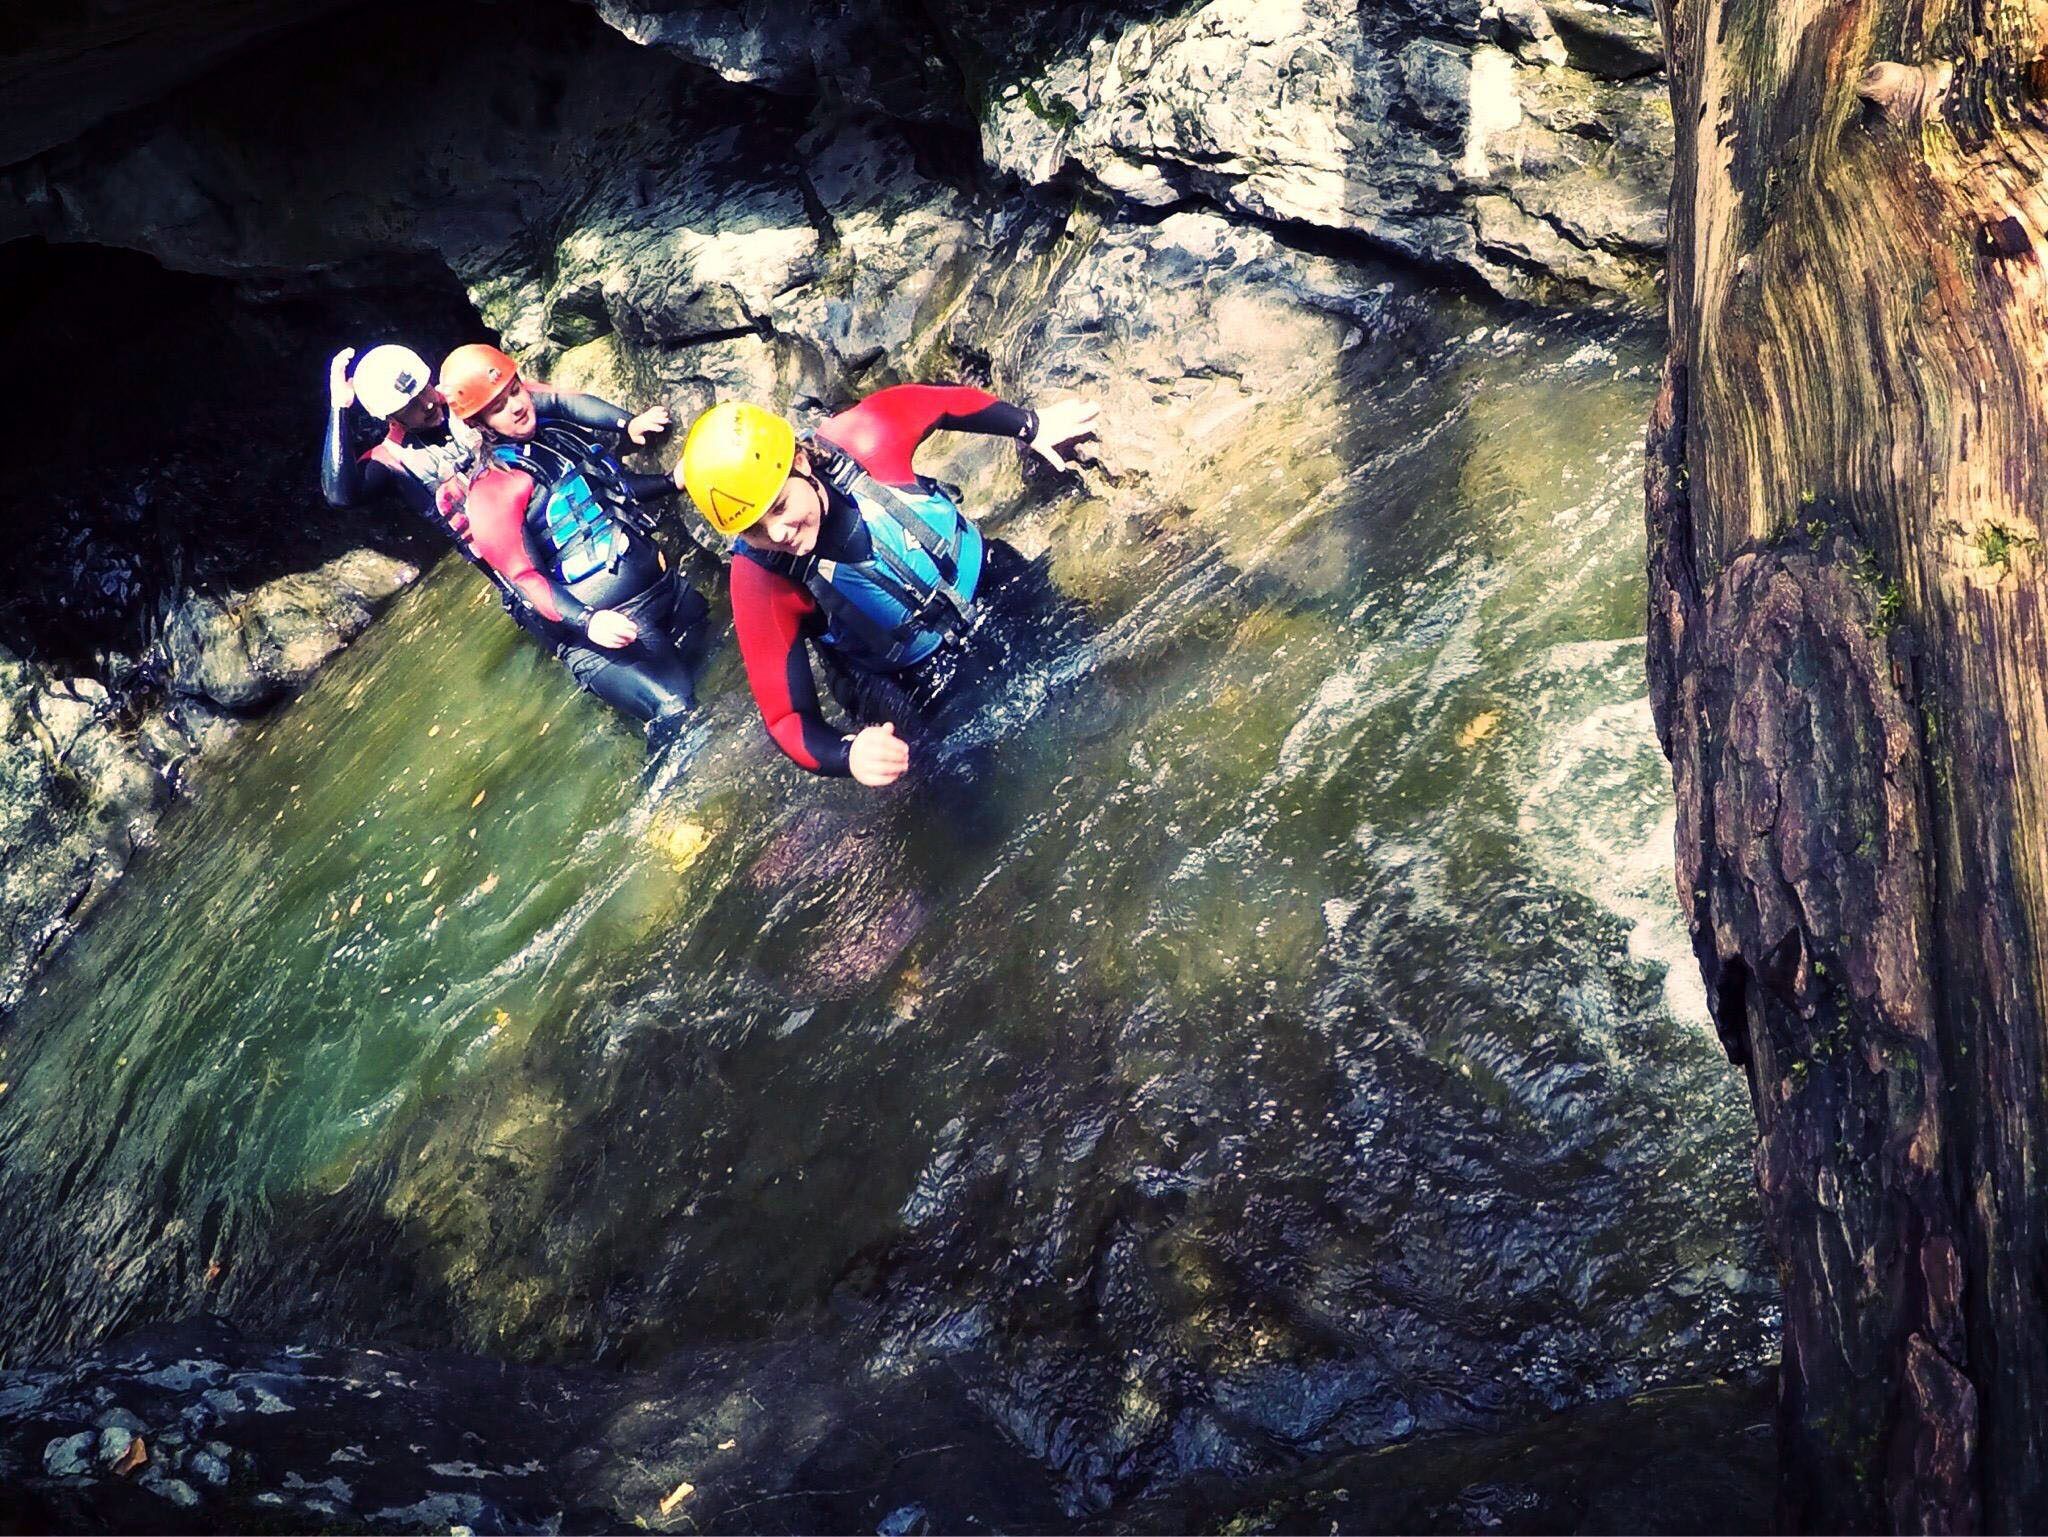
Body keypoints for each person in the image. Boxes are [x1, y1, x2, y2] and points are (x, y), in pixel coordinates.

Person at [678, 384, 1098, 787]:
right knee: (976, 787)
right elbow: (786, 718)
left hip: (992, 583)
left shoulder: (865, 440)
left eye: (781, 507)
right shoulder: (761, 578)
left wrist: (1030, 424)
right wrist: (849, 754)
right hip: (908, 677)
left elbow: (943, 403)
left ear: (801, 464)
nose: (780, 534)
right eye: (755, 530)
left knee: (1092, 677)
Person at [443, 343, 711, 751]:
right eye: (498, 407)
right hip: (606, 634)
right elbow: (523, 579)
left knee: (720, 656)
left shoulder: (554, 432)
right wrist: (589, 622)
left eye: (515, 392)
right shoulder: (492, 489)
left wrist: (660, 467)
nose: (515, 407)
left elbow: (613, 487)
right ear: (480, 423)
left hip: (666, 594)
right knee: (679, 709)